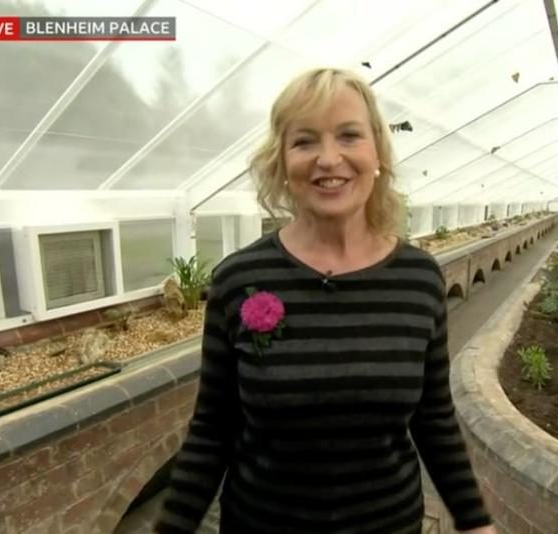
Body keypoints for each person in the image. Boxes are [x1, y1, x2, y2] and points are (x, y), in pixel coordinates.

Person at [156, 67, 495, 534]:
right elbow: (214, 427)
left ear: (376, 152)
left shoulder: (417, 280)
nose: (328, 158)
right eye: (305, 141)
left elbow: (433, 418)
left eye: (349, 136)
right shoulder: (241, 279)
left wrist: (474, 521)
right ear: (281, 161)